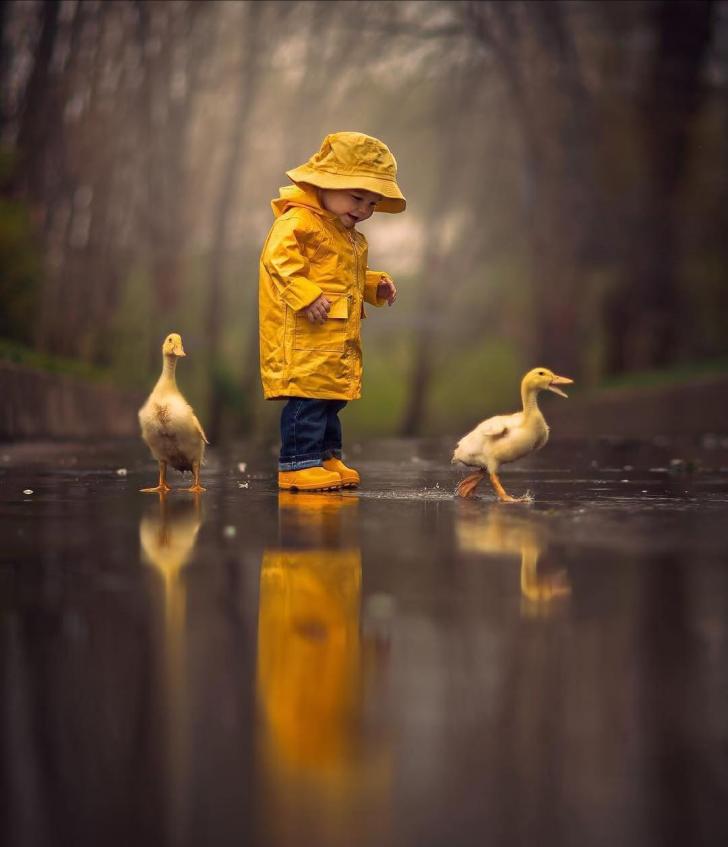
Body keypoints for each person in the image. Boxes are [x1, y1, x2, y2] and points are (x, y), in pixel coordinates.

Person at [259, 131, 406, 491]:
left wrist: (373, 286)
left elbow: (342, 276)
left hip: (334, 337)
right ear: (324, 184)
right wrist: (306, 294)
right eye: (357, 197)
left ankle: (326, 457)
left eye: (371, 203)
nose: (363, 209)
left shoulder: (347, 234)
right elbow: (277, 260)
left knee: (330, 402)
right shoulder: (298, 223)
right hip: (305, 335)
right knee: (307, 399)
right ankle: (296, 463)